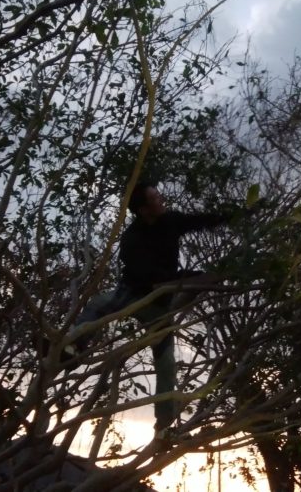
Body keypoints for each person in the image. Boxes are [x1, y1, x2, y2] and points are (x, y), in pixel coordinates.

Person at [70, 181, 235, 431]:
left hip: (158, 305)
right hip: (133, 293)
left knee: (166, 363)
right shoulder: (132, 239)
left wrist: (234, 215)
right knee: (98, 305)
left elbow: (200, 221)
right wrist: (185, 277)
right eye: (155, 198)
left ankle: (164, 426)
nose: (161, 200)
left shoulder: (171, 221)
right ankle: (72, 347)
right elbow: (149, 277)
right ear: (143, 210)